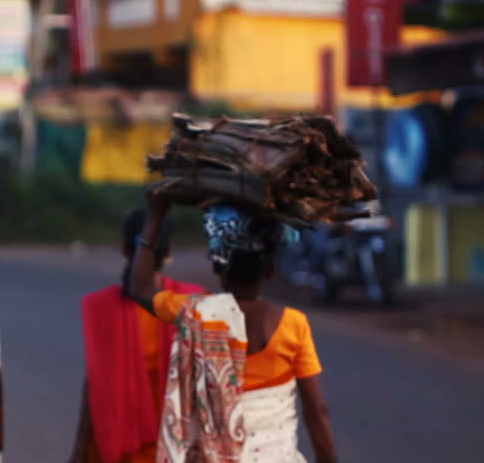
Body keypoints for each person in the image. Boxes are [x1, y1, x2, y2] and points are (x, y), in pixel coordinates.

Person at [128, 194, 337, 463]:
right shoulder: (293, 324)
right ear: (270, 271)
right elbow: (316, 411)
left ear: (219, 269)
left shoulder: (196, 313)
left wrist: (155, 216)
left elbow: (140, 288)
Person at [71, 208, 203, 463]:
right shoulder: (192, 302)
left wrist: (79, 450)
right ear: (168, 251)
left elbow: (95, 384)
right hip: (176, 449)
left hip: (112, 447)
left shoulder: (102, 307)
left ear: (124, 248)